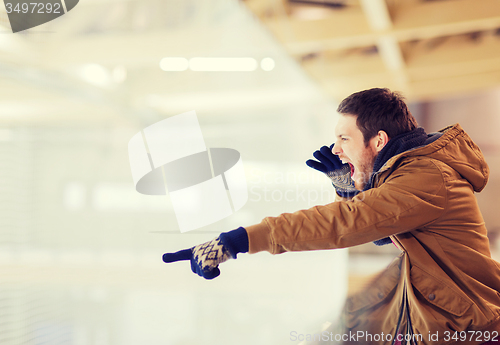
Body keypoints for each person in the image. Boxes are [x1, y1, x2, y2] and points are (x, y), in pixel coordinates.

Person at [162, 88, 500, 344]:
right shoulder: (411, 172)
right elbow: (380, 229)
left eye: (344, 138)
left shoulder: (425, 178)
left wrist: (237, 241)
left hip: (468, 326)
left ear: (378, 141)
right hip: (449, 320)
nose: (336, 149)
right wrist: (350, 188)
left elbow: (347, 223)